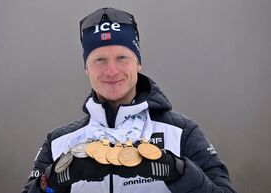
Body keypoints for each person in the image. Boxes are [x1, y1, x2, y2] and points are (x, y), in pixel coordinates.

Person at [22, 7, 236, 193]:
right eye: (100, 60)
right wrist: (51, 182)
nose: (111, 71)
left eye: (122, 58)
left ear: (138, 62)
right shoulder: (59, 142)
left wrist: (179, 171)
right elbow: (42, 189)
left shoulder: (181, 133)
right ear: (86, 68)